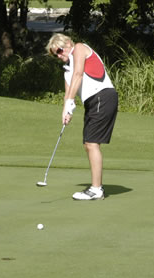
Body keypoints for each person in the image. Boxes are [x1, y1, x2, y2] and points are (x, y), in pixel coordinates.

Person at [46, 33, 118, 201]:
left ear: (68, 43)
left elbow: (78, 74)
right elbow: (68, 92)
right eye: (55, 54)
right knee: (88, 143)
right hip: (93, 102)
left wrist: (71, 100)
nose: (59, 55)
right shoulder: (66, 69)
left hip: (102, 96)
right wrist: (66, 110)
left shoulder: (79, 48)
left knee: (91, 143)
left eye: (59, 50)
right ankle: (96, 187)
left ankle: (96, 189)